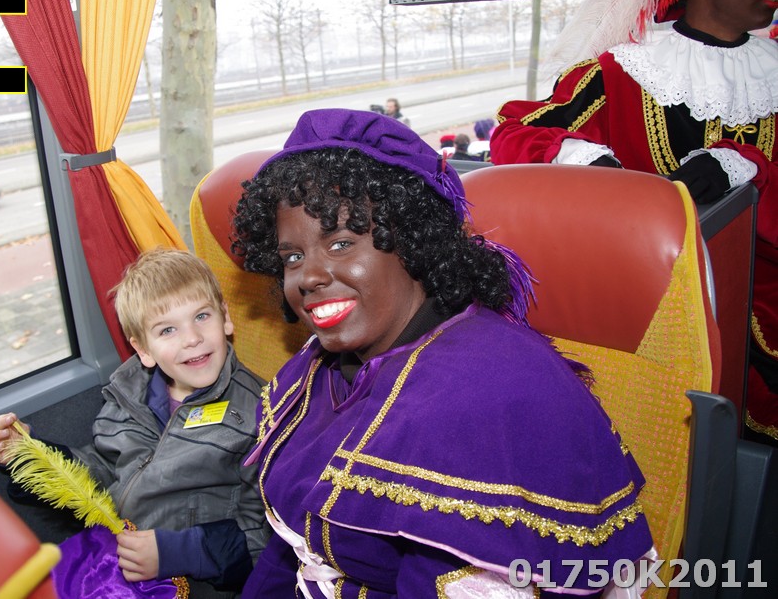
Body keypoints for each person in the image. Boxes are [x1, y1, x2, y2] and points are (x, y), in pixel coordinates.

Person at [231, 108, 655, 597]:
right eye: (292, 256)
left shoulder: (487, 393)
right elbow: (290, 553)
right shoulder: (321, 366)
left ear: (413, 242)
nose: (308, 276)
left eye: (342, 243)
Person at [491, 0, 778, 446]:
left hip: (760, 311)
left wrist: (750, 167)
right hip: (646, 307)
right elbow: (515, 132)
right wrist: (579, 156)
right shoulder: (621, 72)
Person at [0, 247, 270, 598]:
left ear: (225, 317)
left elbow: (269, 533)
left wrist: (178, 553)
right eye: (167, 330)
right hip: (113, 561)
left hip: (196, 580)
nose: (192, 338)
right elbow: (104, 470)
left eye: (201, 316)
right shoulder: (128, 396)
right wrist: (34, 458)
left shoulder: (261, 412)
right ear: (143, 349)